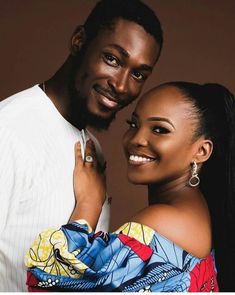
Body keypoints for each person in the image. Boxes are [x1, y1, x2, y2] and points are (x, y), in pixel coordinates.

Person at [0, 0, 163, 291]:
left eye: (138, 74)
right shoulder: (8, 131)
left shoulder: (93, 149)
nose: (123, 86)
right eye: (113, 59)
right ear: (78, 41)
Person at [25, 81, 235, 291]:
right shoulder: (197, 209)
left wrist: (89, 204)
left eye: (160, 129)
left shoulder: (162, 221)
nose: (137, 139)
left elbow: (51, 282)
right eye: (133, 124)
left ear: (201, 151)